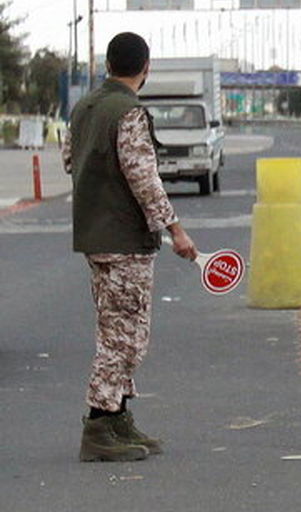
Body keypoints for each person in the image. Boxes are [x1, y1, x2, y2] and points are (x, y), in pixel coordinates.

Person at [63, 32, 198, 462]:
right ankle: (100, 425)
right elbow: (144, 178)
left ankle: (118, 416)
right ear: (146, 67)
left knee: (115, 329)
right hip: (125, 238)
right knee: (125, 339)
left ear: (108, 63)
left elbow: (70, 160)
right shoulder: (129, 112)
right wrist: (176, 229)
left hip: (95, 236)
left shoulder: (84, 108)